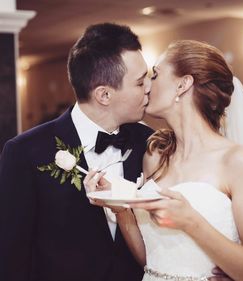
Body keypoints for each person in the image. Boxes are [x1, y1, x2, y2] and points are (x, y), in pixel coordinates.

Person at [85, 40, 243, 281]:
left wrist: (191, 222)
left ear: (183, 84)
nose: (146, 86)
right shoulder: (154, 156)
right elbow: (151, 260)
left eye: (154, 75)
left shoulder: (239, 162)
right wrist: (121, 211)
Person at [0, 23, 153, 281]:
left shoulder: (149, 143)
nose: (148, 87)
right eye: (140, 82)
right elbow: (11, 255)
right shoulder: (25, 153)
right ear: (104, 94)